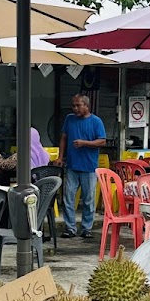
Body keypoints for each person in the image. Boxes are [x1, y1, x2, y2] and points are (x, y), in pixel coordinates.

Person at [58, 94, 107, 239]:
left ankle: (87, 228)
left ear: (86, 105)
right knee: (68, 198)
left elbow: (102, 141)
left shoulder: (96, 121)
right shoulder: (69, 119)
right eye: (73, 105)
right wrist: (60, 157)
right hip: (72, 165)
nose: (75, 108)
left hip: (89, 167)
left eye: (78, 105)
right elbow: (64, 138)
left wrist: (85, 143)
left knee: (88, 199)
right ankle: (70, 228)